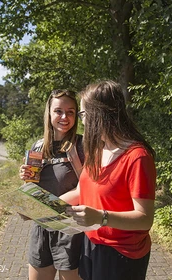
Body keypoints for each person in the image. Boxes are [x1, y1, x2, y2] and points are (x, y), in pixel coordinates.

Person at [61, 80, 157, 280]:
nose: (83, 121)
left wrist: (100, 217)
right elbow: (81, 192)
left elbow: (145, 219)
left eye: (83, 114)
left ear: (99, 114)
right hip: (91, 243)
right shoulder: (98, 150)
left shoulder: (137, 157)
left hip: (121, 254)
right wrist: (40, 207)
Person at [19, 89, 85, 280]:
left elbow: (88, 187)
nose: (64, 117)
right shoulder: (38, 146)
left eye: (70, 112)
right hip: (42, 226)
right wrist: (25, 178)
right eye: (58, 111)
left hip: (70, 228)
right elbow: (31, 188)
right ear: (49, 113)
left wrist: (51, 206)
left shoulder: (82, 145)